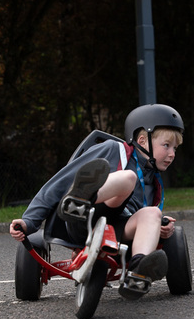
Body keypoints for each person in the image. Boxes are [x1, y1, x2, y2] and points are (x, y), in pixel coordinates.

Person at [10, 103, 184, 299]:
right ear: (142, 141)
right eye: (166, 145)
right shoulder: (113, 150)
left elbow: (142, 216)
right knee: (128, 178)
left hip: (119, 232)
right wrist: (29, 221)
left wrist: (159, 227)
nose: (172, 154)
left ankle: (138, 272)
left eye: (175, 148)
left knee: (153, 213)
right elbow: (59, 183)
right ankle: (79, 200)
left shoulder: (154, 179)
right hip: (85, 217)